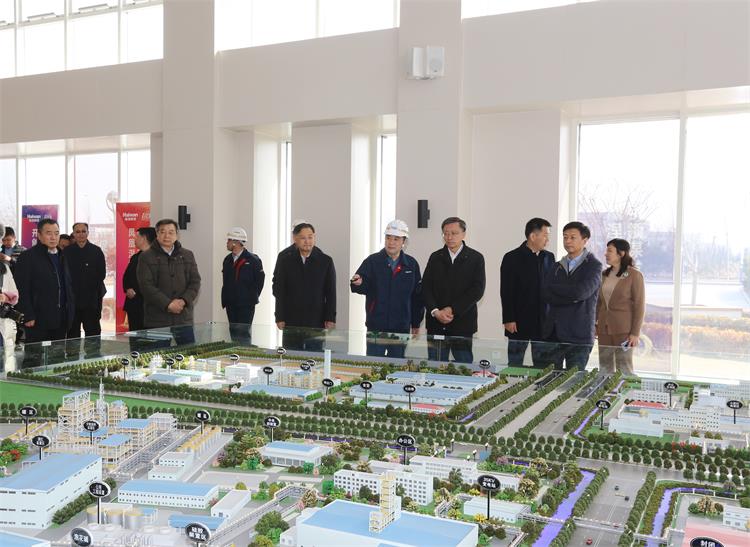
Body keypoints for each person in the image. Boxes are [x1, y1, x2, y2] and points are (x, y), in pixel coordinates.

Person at [350, 220, 424, 358]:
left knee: (396, 365)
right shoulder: (372, 261)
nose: (391, 242)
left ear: (404, 241)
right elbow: (360, 285)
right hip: (376, 326)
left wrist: (416, 323)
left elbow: (417, 297)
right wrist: (358, 283)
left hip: (401, 327)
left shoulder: (411, 264)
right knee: (374, 364)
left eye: (396, 239)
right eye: (388, 238)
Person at [422, 217, 486, 364]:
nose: (449, 237)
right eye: (446, 233)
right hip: (436, 323)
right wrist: (435, 311)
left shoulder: (475, 258)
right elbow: (425, 287)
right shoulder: (435, 257)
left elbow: (477, 290)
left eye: (454, 233)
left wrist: (452, 309)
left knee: (464, 367)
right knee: (435, 366)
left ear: (464, 234)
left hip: (462, 323)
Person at [541, 221, 602, 371]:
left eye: (572, 237)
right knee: (548, 378)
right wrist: (571, 295)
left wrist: (558, 290)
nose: (568, 241)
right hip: (553, 332)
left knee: (574, 380)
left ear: (585, 240)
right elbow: (546, 293)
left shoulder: (594, 266)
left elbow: (581, 293)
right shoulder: (557, 266)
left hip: (579, 334)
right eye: (565, 237)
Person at [15, 218, 75, 366]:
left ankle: (57, 379)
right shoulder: (28, 257)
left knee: (57, 358)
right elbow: (22, 288)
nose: (53, 237)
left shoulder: (62, 255)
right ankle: (28, 379)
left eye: (56, 233)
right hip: (37, 318)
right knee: (33, 359)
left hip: (61, 317)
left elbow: (67, 285)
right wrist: (28, 314)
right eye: (49, 233)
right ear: (39, 235)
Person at [500, 218, 555, 368]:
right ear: (533, 236)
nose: (548, 239)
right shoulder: (512, 257)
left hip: (543, 321)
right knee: (515, 364)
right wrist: (509, 318)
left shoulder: (549, 257)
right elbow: (506, 291)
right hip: (518, 321)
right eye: (545, 235)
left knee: (543, 365)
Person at [136, 218, 201, 346]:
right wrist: (168, 304)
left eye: (171, 232)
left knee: (188, 354)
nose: (167, 236)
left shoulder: (187, 255)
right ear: (157, 234)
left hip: (183, 318)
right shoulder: (146, 257)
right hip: (157, 318)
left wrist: (183, 301)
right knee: (158, 355)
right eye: (163, 232)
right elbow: (146, 285)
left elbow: (195, 282)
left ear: (177, 235)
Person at [272, 222, 336, 352]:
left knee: (314, 355)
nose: (307, 241)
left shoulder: (325, 261)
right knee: (291, 354)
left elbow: (331, 292)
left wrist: (330, 317)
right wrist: (279, 317)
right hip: (291, 318)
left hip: (316, 319)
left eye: (310, 237)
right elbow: (280, 291)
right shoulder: (286, 261)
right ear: (295, 239)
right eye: (303, 238)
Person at [596, 238, 645, 376]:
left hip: (624, 330)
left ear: (621, 253)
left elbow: (639, 306)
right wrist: (595, 323)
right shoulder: (604, 275)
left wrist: (635, 333)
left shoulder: (634, 275)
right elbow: (599, 303)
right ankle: (605, 389)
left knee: (624, 367)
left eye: (609, 251)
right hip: (604, 328)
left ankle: (626, 390)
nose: (606, 254)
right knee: (604, 367)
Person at [64, 222, 106, 357]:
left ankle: (93, 358)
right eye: (77, 232)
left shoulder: (96, 251)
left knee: (93, 331)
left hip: (91, 300)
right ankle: (71, 359)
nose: (81, 234)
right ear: (73, 234)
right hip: (72, 300)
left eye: (83, 231)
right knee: (72, 332)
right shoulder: (67, 252)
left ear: (88, 233)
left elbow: (101, 274)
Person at [221, 226, 265, 345]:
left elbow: (260, 281)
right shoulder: (227, 260)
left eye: (229, 240)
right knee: (233, 334)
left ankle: (245, 354)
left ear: (235, 242)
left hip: (246, 305)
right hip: (231, 304)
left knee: (243, 335)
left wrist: (250, 296)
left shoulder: (253, 260)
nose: (227, 243)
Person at [122, 227, 157, 332]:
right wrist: (127, 288)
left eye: (137, 236)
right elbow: (126, 276)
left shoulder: (157, 257)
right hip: (133, 305)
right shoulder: (135, 257)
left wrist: (136, 291)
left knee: (150, 338)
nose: (134, 239)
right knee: (135, 337)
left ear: (144, 238)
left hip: (149, 306)